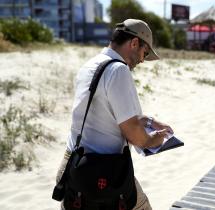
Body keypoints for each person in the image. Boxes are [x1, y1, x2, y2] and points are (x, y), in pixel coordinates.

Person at [56, 19, 173, 209]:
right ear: (134, 43)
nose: (142, 60)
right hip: (102, 172)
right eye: (144, 53)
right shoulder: (119, 70)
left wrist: (151, 121)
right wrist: (158, 140)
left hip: (72, 165)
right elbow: (136, 136)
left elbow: (108, 114)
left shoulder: (90, 65)